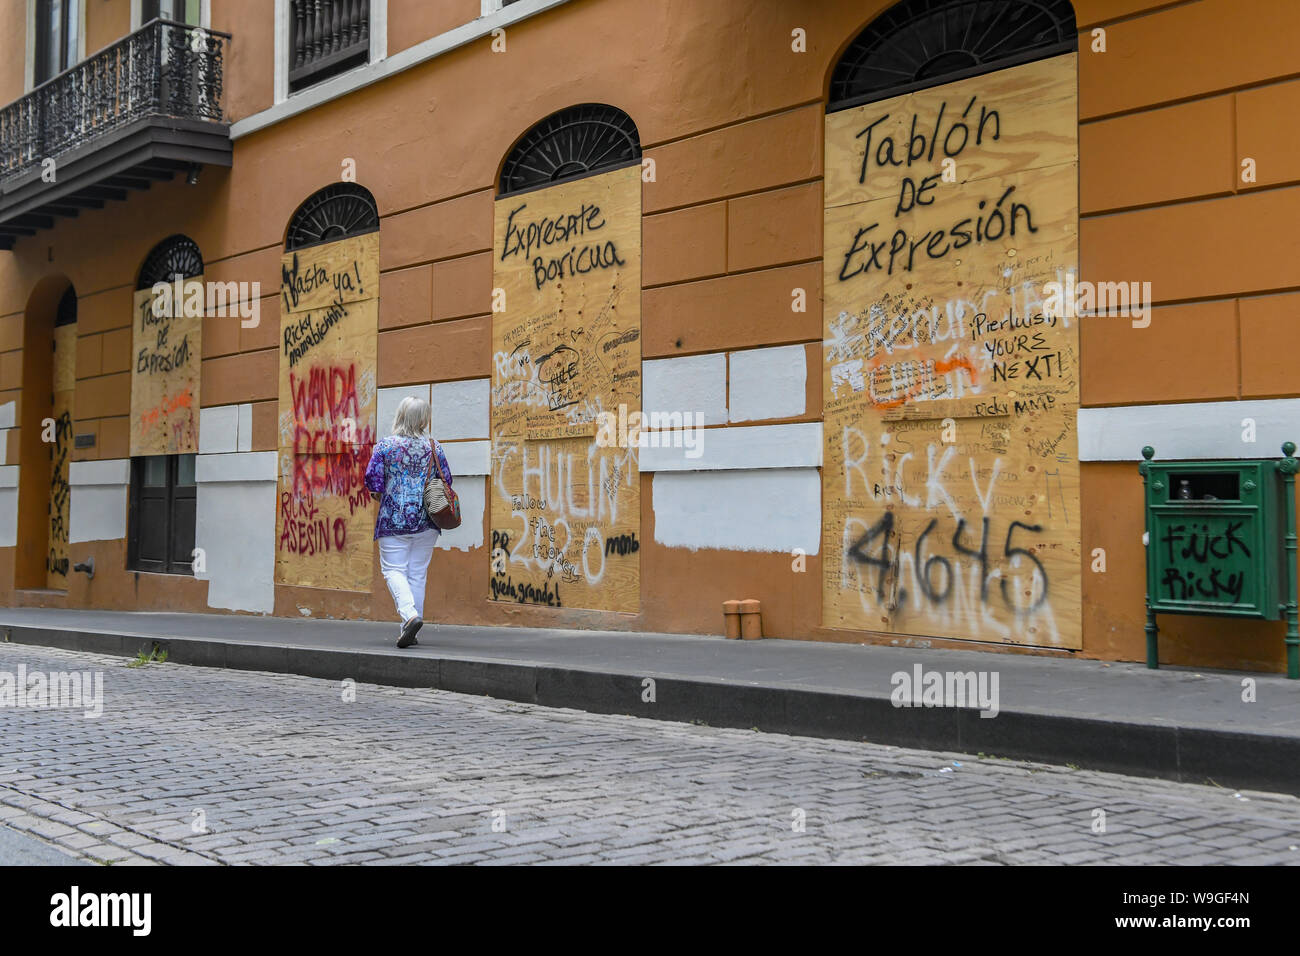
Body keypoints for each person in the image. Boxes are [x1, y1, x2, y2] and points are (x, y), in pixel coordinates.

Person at [363, 397, 452, 648]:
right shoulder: (434, 446)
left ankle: (410, 616)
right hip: (427, 520)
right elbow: (446, 480)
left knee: (393, 570)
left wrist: (385, 492)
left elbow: (373, 481)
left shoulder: (385, 446)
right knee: (417, 574)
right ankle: (410, 627)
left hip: (393, 519)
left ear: (400, 415)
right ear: (424, 419)